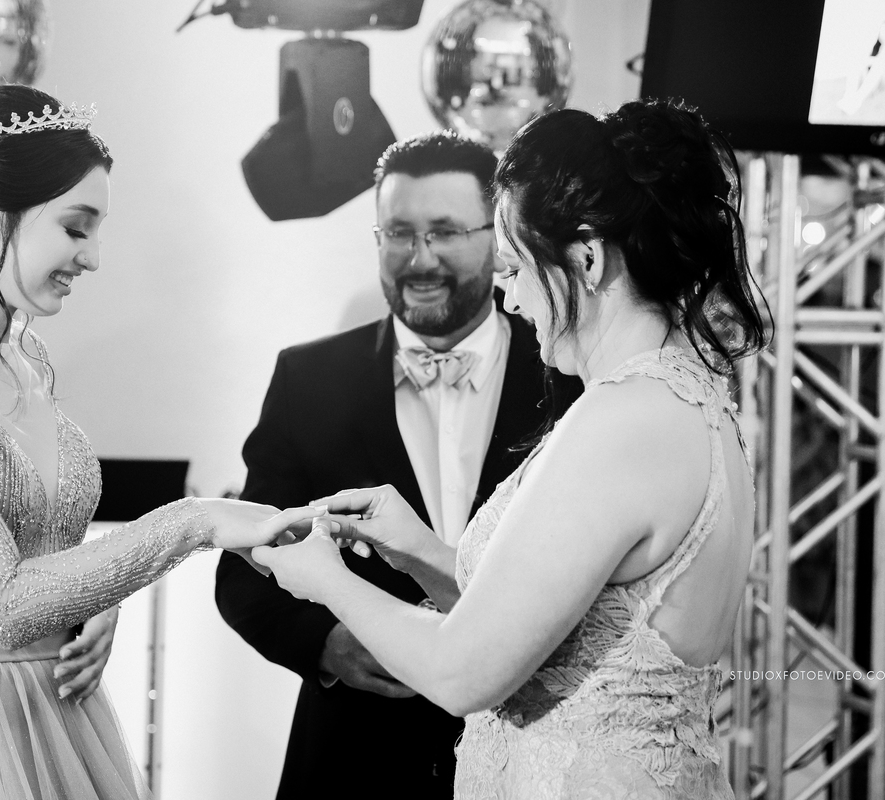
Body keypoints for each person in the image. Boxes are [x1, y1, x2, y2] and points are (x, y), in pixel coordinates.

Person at [0, 56, 320, 800]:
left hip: (51, 711)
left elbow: (44, 548)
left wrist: (96, 599)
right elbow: (5, 602)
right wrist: (195, 521)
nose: (92, 258)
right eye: (76, 228)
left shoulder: (27, 357)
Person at [254, 98, 769, 798]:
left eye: (517, 268)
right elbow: (557, 622)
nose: (514, 298)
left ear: (587, 258)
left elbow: (462, 672)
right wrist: (421, 550)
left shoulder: (623, 421)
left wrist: (325, 578)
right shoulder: (686, 401)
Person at [215, 131, 582, 799]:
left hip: (527, 751)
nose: (420, 258)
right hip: (353, 760)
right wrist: (327, 643)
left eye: (445, 232)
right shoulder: (307, 378)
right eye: (399, 234)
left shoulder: (565, 371)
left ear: (497, 238)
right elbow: (242, 571)